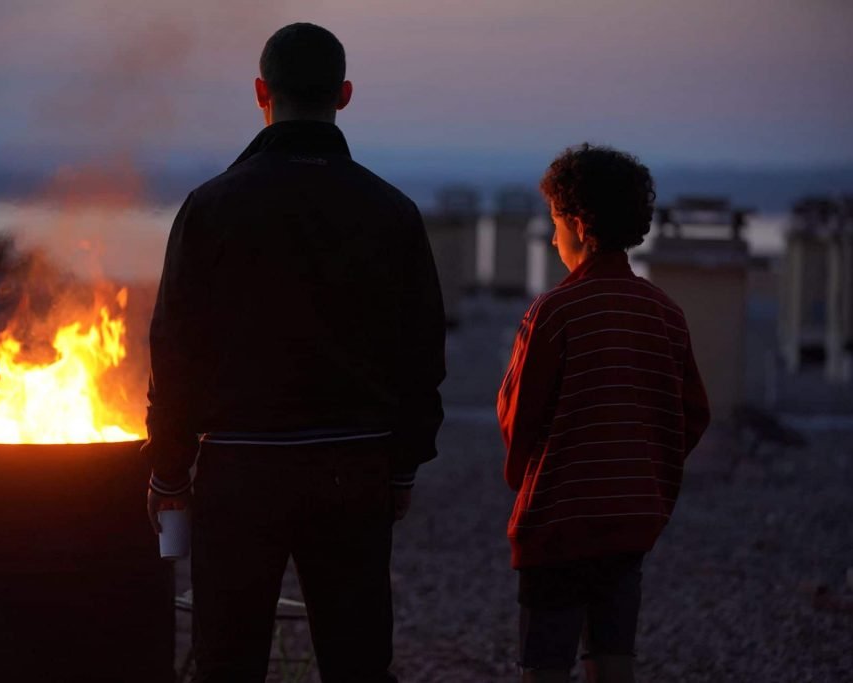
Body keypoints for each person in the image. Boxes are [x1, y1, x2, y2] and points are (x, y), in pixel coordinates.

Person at [143, 22, 446, 683]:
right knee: (358, 661)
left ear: (260, 92)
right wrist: (401, 467)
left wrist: (169, 471)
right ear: (344, 94)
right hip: (355, 464)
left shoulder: (211, 207)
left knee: (227, 663)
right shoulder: (391, 212)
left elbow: (174, 348)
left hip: (239, 468)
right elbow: (422, 352)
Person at [497, 144, 710, 683]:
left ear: (578, 222)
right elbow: (691, 413)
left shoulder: (554, 312)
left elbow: (518, 416)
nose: (550, 238)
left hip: (558, 524)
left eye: (554, 223)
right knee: (614, 657)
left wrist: (521, 473)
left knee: (544, 663)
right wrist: (641, 466)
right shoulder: (665, 312)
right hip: (631, 518)